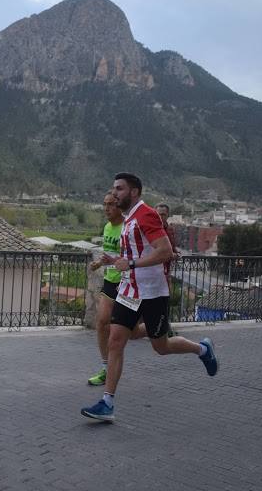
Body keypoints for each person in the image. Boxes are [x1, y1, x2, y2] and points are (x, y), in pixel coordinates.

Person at [81, 173, 218, 423]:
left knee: (161, 347)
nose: (114, 194)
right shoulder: (129, 219)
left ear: (134, 191)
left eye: (119, 189)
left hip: (152, 293)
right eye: (113, 189)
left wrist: (131, 263)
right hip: (129, 291)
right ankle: (107, 403)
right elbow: (132, 253)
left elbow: (164, 252)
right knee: (116, 339)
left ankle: (202, 349)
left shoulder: (146, 215)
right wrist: (116, 261)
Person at [87, 192, 145, 386]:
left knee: (134, 333)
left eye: (110, 204)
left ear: (119, 206)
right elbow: (109, 255)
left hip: (127, 283)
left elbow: (133, 254)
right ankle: (105, 367)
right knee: (102, 322)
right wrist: (98, 263)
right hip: (111, 282)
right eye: (104, 204)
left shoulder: (127, 227)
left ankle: (156, 329)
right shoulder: (107, 227)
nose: (106, 208)